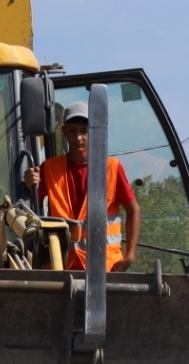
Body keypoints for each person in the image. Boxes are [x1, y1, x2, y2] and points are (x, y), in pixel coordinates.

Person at [22, 101, 142, 272]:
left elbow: (133, 210)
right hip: (61, 267)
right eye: (72, 131)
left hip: (104, 268)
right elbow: (32, 214)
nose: (78, 137)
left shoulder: (112, 168)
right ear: (64, 132)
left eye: (84, 131)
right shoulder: (48, 168)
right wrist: (29, 186)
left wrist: (130, 255)